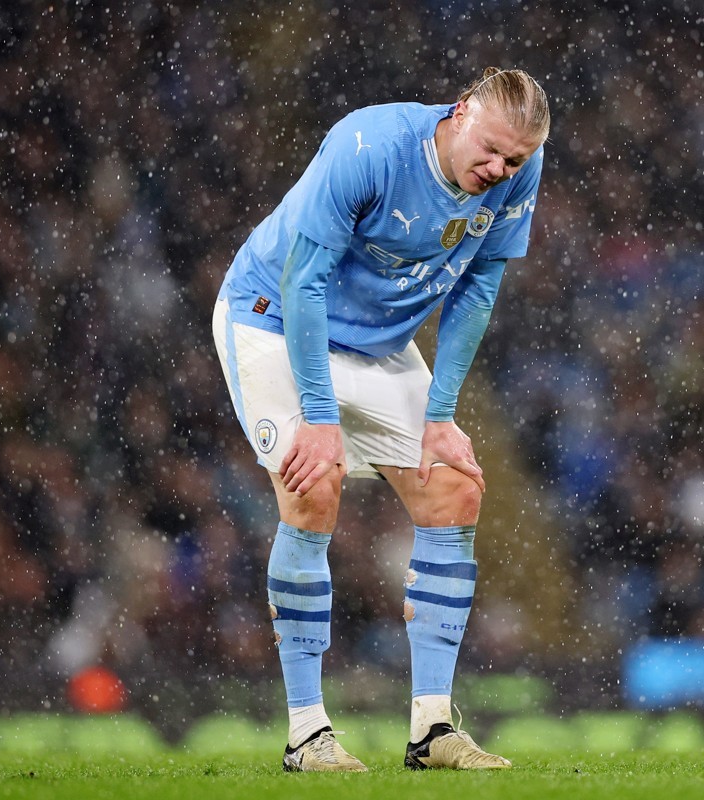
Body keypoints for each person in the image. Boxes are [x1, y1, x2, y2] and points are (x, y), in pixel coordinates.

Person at [212, 67, 548, 772]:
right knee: (313, 484)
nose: (498, 169)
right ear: (460, 112)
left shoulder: (521, 166)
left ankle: (431, 731)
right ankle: (307, 733)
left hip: (377, 343)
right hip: (274, 319)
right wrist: (321, 416)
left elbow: (480, 285)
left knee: (455, 485)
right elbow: (302, 279)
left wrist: (443, 415)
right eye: (488, 150)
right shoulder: (366, 145)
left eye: (513, 160)